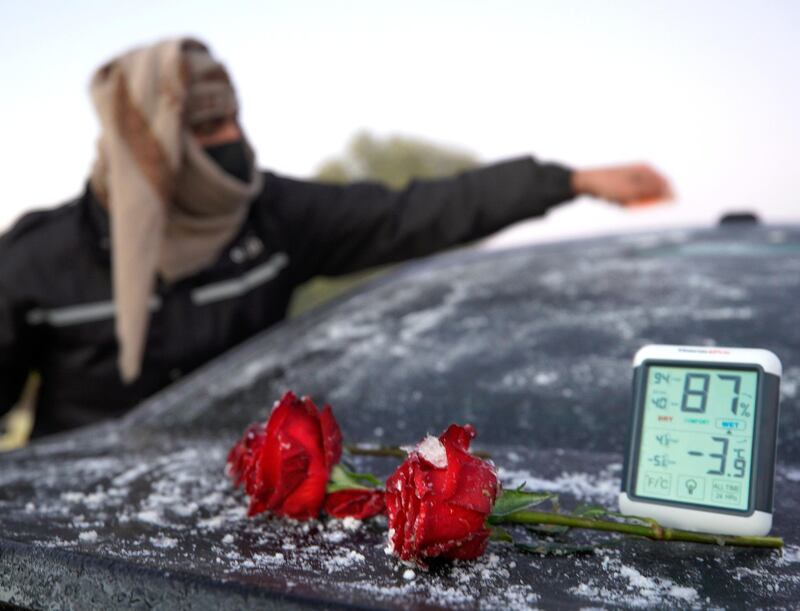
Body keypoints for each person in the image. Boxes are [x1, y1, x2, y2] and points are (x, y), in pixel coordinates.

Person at [0, 38, 672, 438]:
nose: (233, 142)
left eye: (233, 120)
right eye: (204, 131)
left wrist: (567, 180)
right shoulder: (39, 261)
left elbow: (417, 212)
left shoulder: (276, 215)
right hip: (72, 521)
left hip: (232, 506)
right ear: (146, 149)